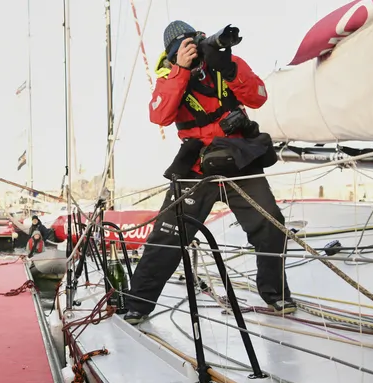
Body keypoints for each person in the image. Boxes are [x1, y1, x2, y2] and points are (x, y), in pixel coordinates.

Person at [122, 20, 294, 325]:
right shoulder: (169, 75)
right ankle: (138, 303)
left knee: (270, 225)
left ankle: (275, 292)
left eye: (196, 42)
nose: (195, 50)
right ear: (174, 53)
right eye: (185, 46)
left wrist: (229, 68)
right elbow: (160, 115)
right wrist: (181, 70)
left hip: (239, 158)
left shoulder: (226, 63)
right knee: (168, 236)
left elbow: (258, 96)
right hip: (197, 165)